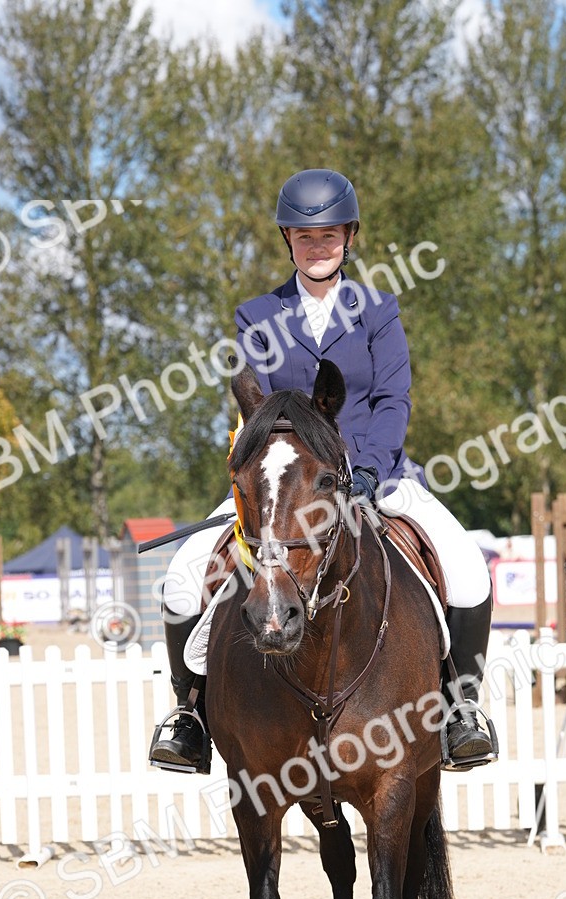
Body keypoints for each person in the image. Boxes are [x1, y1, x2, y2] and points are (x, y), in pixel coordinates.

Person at [151, 168, 495, 773]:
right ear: (288, 239)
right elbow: (255, 406)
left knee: (467, 572)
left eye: (329, 235)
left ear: (349, 238)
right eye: (305, 236)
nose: (318, 246)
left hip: (378, 476)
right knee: (182, 579)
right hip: (282, 485)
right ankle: (190, 716)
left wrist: (368, 470)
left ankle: (461, 709)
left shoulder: (378, 311)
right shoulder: (257, 314)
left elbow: (393, 400)